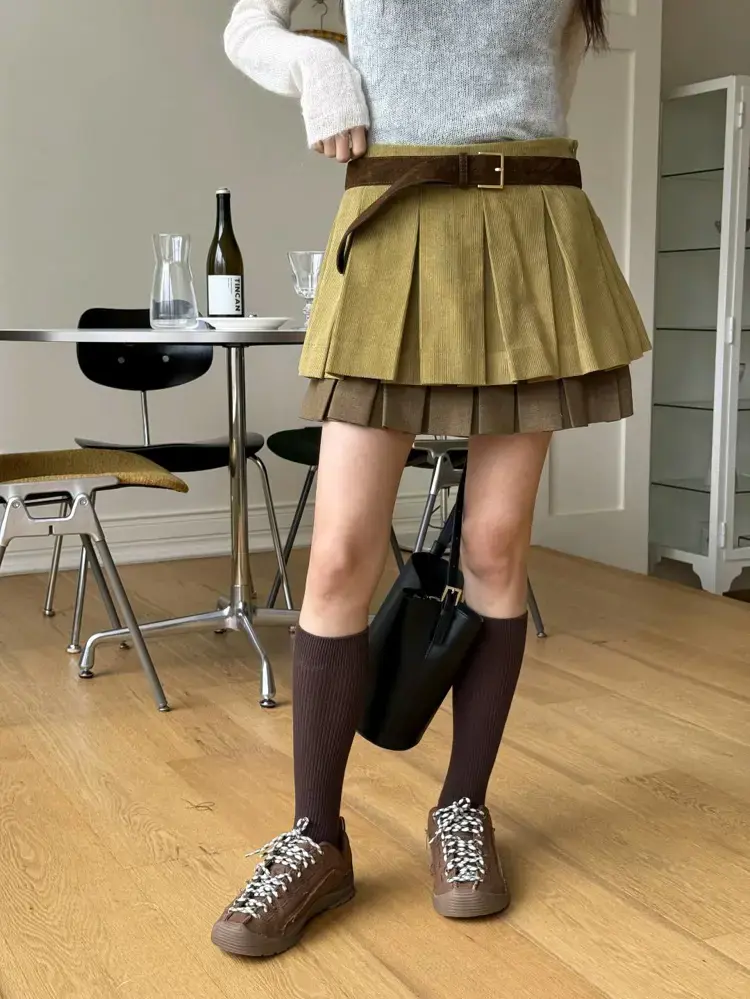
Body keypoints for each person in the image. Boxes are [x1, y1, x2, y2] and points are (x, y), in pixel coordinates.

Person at [211, 0, 650, 959]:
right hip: (394, 215)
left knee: (493, 547)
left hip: (532, 229)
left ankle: (463, 806)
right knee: (339, 555)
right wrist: (314, 66)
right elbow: (248, 23)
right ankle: (316, 837)